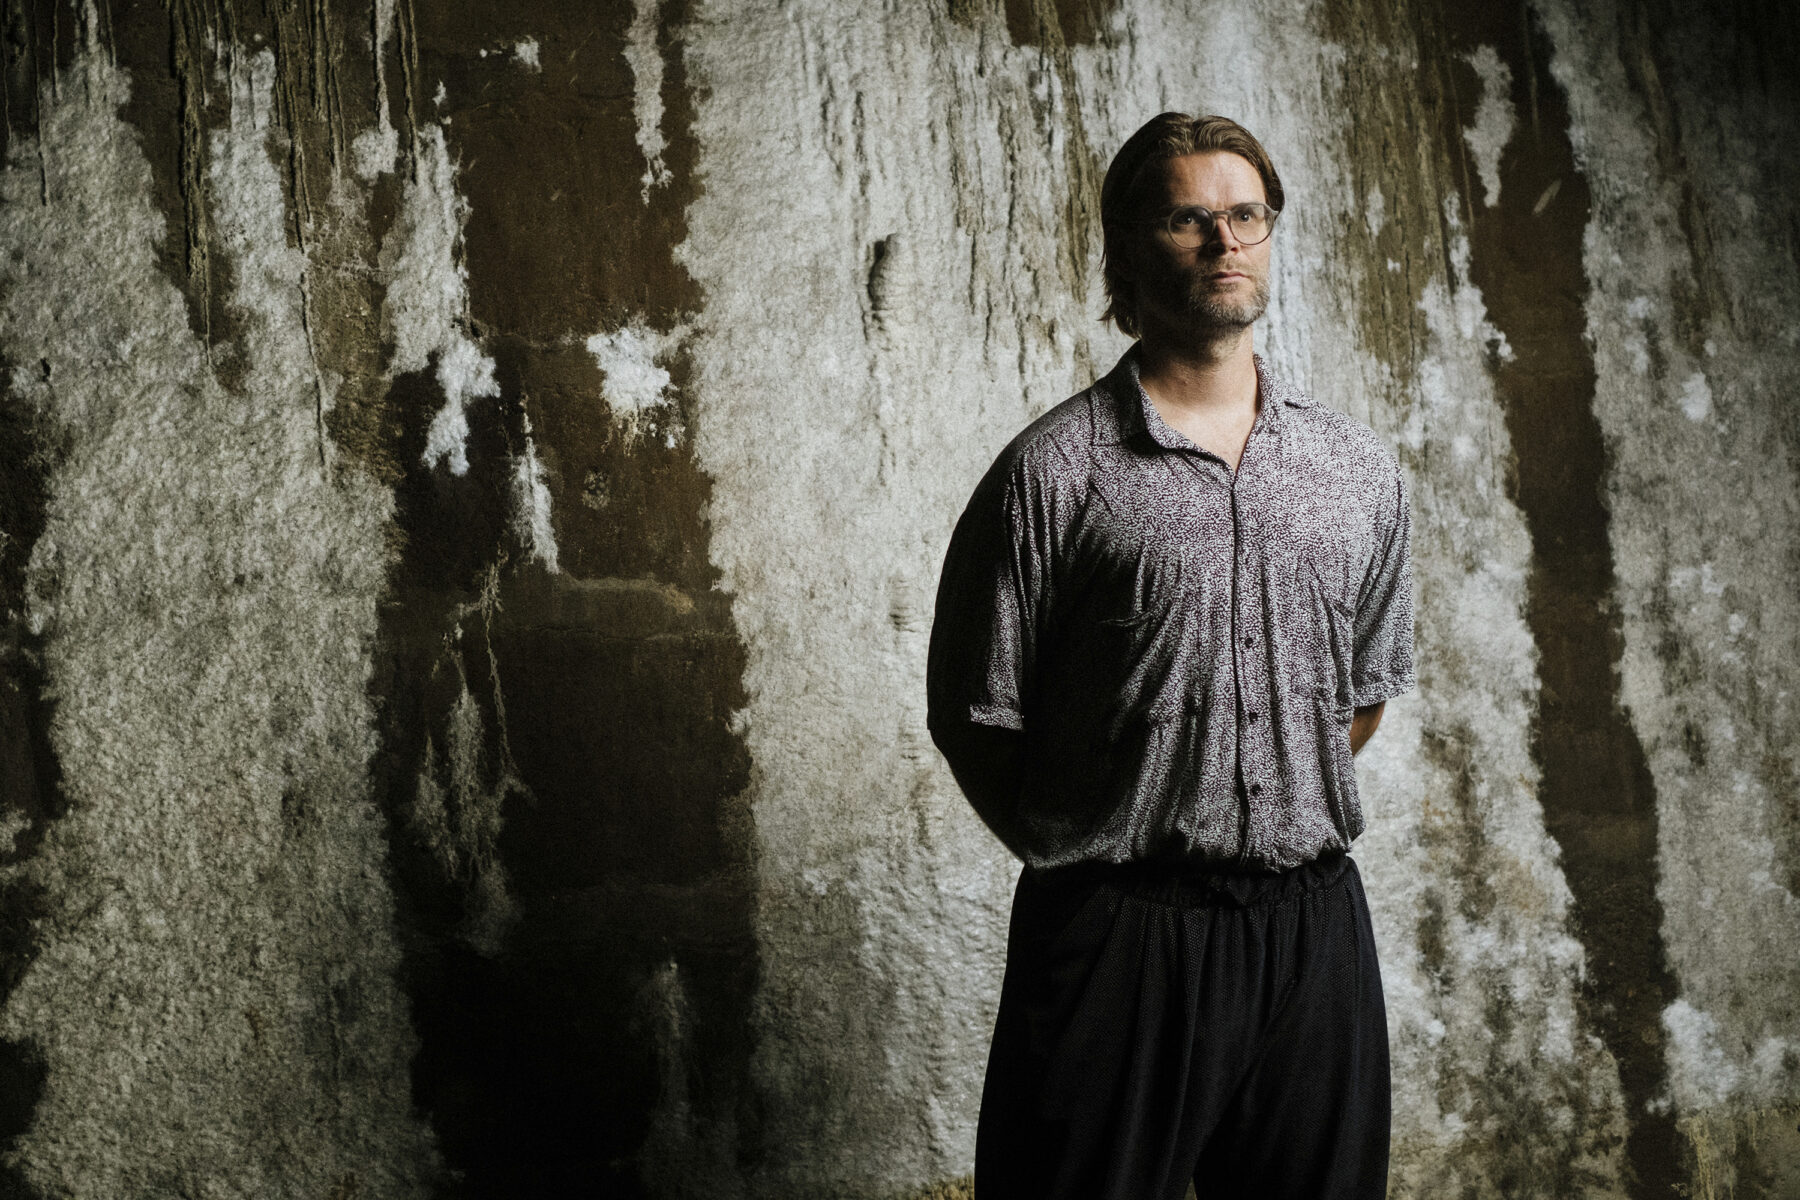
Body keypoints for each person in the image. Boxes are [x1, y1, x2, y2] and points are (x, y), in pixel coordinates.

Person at [926, 112, 1416, 1200]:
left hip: (1313, 935)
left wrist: (1270, 797)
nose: (1223, 242)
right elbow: (977, 717)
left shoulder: (1355, 471)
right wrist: (1105, 852)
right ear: (1126, 250)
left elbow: (1361, 697)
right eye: (1187, 219)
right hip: (1116, 943)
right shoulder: (1053, 476)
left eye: (1245, 216)